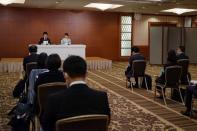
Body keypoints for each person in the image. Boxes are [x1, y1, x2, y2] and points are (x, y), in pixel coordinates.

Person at [41, 55, 111, 131]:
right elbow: (106, 123)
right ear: (86, 74)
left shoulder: (53, 99)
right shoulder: (101, 97)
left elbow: (47, 127)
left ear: (65, 75)